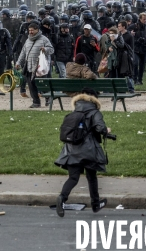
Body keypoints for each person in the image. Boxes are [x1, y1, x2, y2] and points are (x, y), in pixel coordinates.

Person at [54, 87, 111, 217]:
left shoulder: (76, 110)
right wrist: (106, 131)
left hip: (71, 149)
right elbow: (99, 127)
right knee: (91, 177)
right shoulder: (94, 111)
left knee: (73, 178)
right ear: (94, 98)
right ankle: (95, 204)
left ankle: (62, 198)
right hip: (88, 151)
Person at [15, 21, 54, 108]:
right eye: (29, 30)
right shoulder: (28, 40)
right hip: (29, 66)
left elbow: (51, 50)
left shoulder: (44, 39)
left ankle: (48, 98)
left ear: (37, 30)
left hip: (40, 67)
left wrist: (45, 50)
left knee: (42, 84)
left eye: (32, 30)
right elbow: (23, 53)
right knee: (31, 85)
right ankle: (36, 102)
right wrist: (18, 63)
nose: (30, 32)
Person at [131, 12, 146, 86]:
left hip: (144, 48)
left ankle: (140, 80)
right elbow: (126, 33)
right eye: (144, 19)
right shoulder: (134, 26)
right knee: (135, 63)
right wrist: (131, 34)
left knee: (142, 65)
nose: (145, 21)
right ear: (140, 19)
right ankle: (134, 79)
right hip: (136, 48)